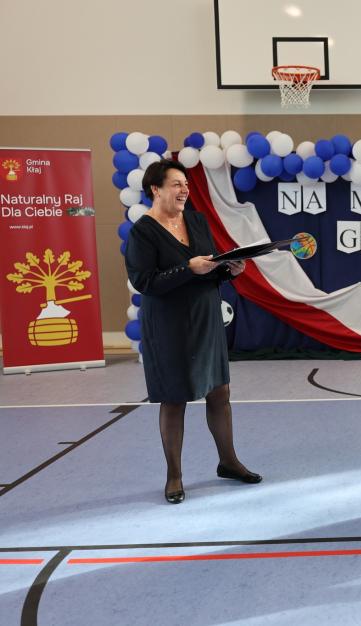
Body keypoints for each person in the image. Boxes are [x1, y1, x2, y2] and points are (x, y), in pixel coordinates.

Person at [125, 159, 261, 504]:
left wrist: (229, 271)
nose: (184, 190)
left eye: (185, 184)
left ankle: (229, 462)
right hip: (168, 325)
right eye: (176, 184)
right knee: (174, 398)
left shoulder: (197, 220)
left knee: (219, 392)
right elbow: (144, 282)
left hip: (205, 317)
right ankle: (174, 476)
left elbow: (209, 269)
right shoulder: (143, 231)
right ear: (155, 189)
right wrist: (188, 268)